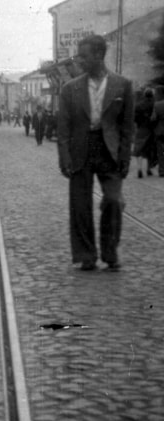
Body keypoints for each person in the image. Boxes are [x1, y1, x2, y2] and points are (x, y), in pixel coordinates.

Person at [57, 34, 134, 272]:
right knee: (80, 205)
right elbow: (63, 128)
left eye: (84, 55)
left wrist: (124, 158)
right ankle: (86, 255)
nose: (79, 60)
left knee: (113, 200)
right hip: (81, 149)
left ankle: (110, 252)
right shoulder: (70, 89)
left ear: (99, 56)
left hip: (108, 150)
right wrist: (65, 157)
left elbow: (127, 127)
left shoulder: (123, 85)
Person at [133, 88, 156, 178]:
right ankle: (148, 169)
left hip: (141, 128)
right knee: (150, 149)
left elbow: (134, 118)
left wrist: (139, 123)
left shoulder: (138, 105)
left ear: (144, 95)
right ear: (152, 95)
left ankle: (139, 169)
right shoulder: (154, 105)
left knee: (139, 149)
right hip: (151, 129)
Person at [151, 85, 164, 177]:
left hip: (160, 131)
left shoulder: (157, 105)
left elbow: (153, 118)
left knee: (160, 151)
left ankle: (162, 170)